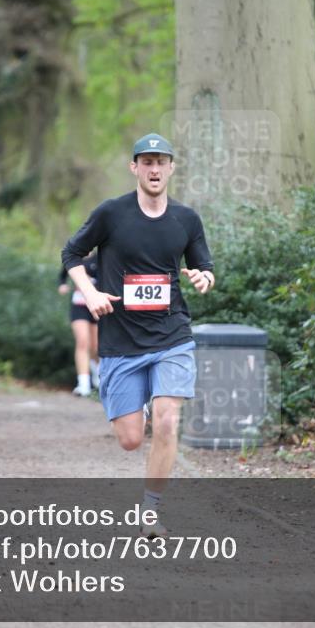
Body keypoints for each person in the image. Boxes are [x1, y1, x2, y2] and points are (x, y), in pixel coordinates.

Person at [61, 132, 215, 537]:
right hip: (121, 340)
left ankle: (150, 512)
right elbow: (71, 254)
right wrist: (90, 292)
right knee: (131, 440)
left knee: (166, 423)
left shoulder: (186, 219)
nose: (153, 168)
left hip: (171, 335)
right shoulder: (112, 214)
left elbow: (204, 265)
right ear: (134, 167)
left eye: (160, 161)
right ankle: (138, 407)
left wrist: (203, 276)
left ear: (171, 168)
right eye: (146, 162)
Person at [57, 251, 101, 397]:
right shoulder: (74, 257)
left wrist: (91, 281)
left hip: (96, 305)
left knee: (95, 347)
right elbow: (63, 274)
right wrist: (62, 285)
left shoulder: (100, 258)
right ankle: (83, 384)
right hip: (79, 305)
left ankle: (97, 374)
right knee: (83, 342)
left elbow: (107, 279)